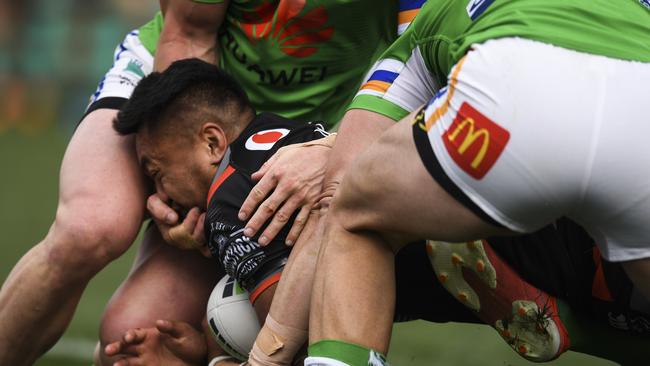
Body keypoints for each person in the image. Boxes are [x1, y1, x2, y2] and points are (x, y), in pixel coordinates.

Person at [105, 58, 650, 366]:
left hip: (535, 256)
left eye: (157, 172)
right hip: (548, 201)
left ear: (209, 141)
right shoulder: (291, 138)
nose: (160, 198)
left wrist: (214, 359)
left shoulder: (230, 198)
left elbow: (302, 330)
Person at [0, 1, 416, 364]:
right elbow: (188, 32)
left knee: (133, 334)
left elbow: (421, 60)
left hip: (334, 119)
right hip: (185, 89)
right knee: (91, 226)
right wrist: (188, 196)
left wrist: (334, 148)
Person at [300, 1, 650, 365]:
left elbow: (341, 179)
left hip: (519, 101)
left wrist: (267, 355)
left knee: (356, 213)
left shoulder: (437, 13)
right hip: (639, 109)